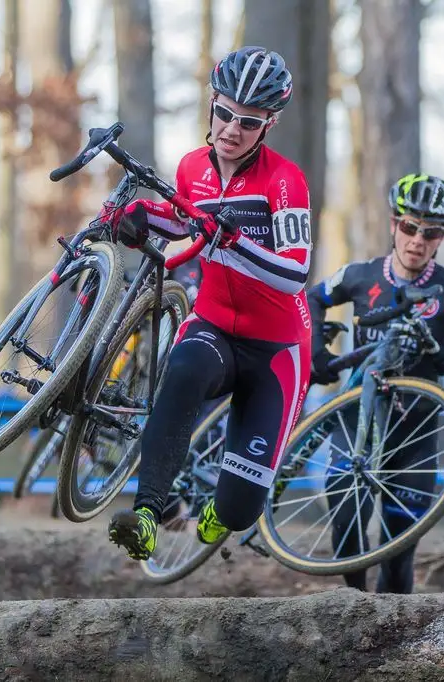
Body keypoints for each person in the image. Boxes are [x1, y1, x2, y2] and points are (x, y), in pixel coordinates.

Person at [105, 46, 314, 561]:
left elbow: (294, 273)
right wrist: (136, 217)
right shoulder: (192, 167)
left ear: (269, 124)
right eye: (224, 112)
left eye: (248, 121)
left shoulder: (285, 181)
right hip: (215, 325)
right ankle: (149, 515)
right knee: (182, 370)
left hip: (277, 349)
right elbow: (181, 223)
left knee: (240, 508)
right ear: (211, 104)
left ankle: (224, 514)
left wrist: (234, 240)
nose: (231, 129)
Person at [306, 173, 444, 593]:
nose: (417, 239)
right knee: (347, 530)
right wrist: (316, 352)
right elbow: (312, 298)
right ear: (394, 225)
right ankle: (351, 609)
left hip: (416, 431)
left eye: (430, 233)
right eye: (410, 227)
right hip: (358, 418)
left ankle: (391, 640)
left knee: (397, 556)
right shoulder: (360, 276)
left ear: (441, 238)